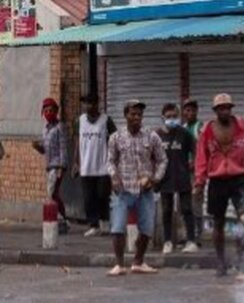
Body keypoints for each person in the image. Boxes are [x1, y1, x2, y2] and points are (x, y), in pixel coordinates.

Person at [194, 93, 244, 276]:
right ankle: (221, 263)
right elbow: (201, 158)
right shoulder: (207, 130)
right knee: (218, 222)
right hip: (217, 180)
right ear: (215, 111)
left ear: (231, 109)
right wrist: (199, 182)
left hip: (239, 179)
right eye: (221, 108)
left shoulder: (241, 126)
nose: (225, 111)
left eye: (227, 108)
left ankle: (240, 261)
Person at [105, 100, 167, 277]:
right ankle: (119, 264)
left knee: (146, 229)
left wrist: (155, 179)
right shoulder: (115, 137)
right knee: (118, 227)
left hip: (145, 190)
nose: (136, 118)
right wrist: (114, 176)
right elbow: (110, 160)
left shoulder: (151, 137)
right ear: (126, 115)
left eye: (139, 114)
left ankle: (138, 262)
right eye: (133, 114)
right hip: (122, 190)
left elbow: (163, 160)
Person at [156, 103, 198, 254]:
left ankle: (191, 241)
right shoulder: (157, 135)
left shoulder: (185, 133)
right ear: (163, 117)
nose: (172, 119)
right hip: (164, 178)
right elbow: (151, 157)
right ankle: (167, 242)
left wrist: (195, 169)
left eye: (174, 116)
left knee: (187, 209)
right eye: (168, 117)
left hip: (182, 177)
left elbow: (196, 151)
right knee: (166, 210)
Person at [73, 94, 118, 237]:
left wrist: (114, 161)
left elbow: (115, 140)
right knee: (88, 198)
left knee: (102, 195)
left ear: (97, 104)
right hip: (86, 166)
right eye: (86, 103)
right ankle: (93, 225)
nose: (88, 106)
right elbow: (77, 142)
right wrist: (76, 162)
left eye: (91, 103)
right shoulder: (79, 121)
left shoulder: (106, 120)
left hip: (103, 166)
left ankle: (105, 222)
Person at [33, 97, 70, 234]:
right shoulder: (45, 128)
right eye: (46, 110)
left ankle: (62, 220)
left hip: (57, 165)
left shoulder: (60, 127)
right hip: (49, 166)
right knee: (53, 193)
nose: (48, 113)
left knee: (52, 193)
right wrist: (38, 147)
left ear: (56, 111)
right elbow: (45, 149)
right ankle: (61, 220)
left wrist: (62, 167)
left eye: (51, 110)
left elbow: (63, 148)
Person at [182, 99, 205, 241]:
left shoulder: (200, 127)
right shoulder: (183, 127)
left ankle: (198, 233)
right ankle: (187, 233)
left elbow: (202, 150)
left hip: (197, 172)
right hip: (184, 171)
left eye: (192, 110)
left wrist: (196, 164)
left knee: (196, 202)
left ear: (197, 111)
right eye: (187, 110)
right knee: (185, 203)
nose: (189, 113)